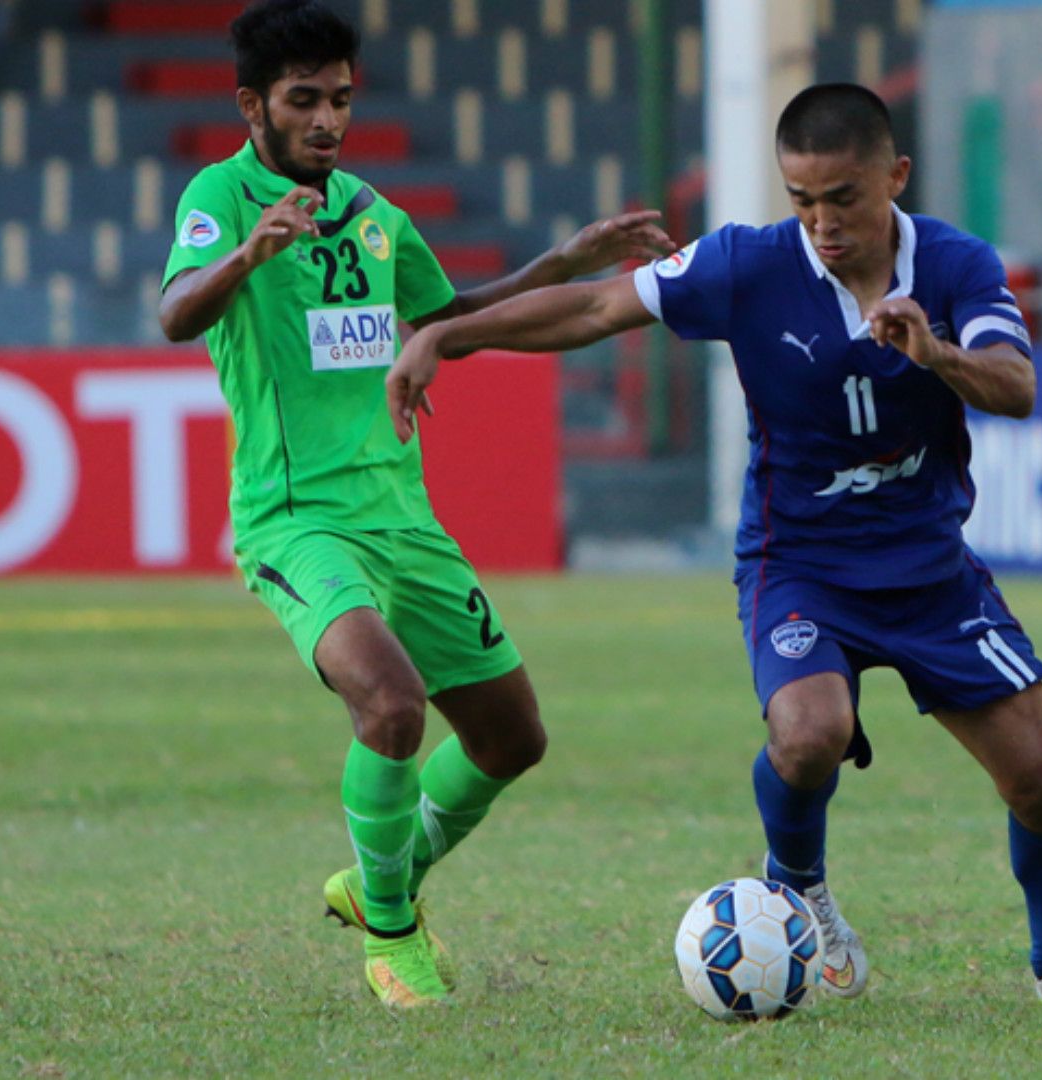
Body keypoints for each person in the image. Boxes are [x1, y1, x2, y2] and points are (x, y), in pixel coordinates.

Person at [388, 83, 1042, 1009]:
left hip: (931, 571)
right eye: (802, 199)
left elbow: (1017, 386)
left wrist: (936, 354)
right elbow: (594, 309)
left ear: (895, 176)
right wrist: (449, 336)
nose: (822, 223)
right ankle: (800, 886)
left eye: (843, 198)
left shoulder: (956, 265)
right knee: (810, 732)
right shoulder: (745, 263)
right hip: (801, 565)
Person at [158, 0, 670, 1009]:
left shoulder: (373, 213)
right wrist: (248, 255)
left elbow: (452, 319)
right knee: (389, 707)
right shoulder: (220, 195)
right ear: (252, 105)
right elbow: (176, 313)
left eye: (341, 99)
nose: (327, 121)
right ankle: (392, 933)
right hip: (297, 522)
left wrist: (564, 264)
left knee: (512, 738)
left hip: (404, 518)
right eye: (303, 100)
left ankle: (377, 878)